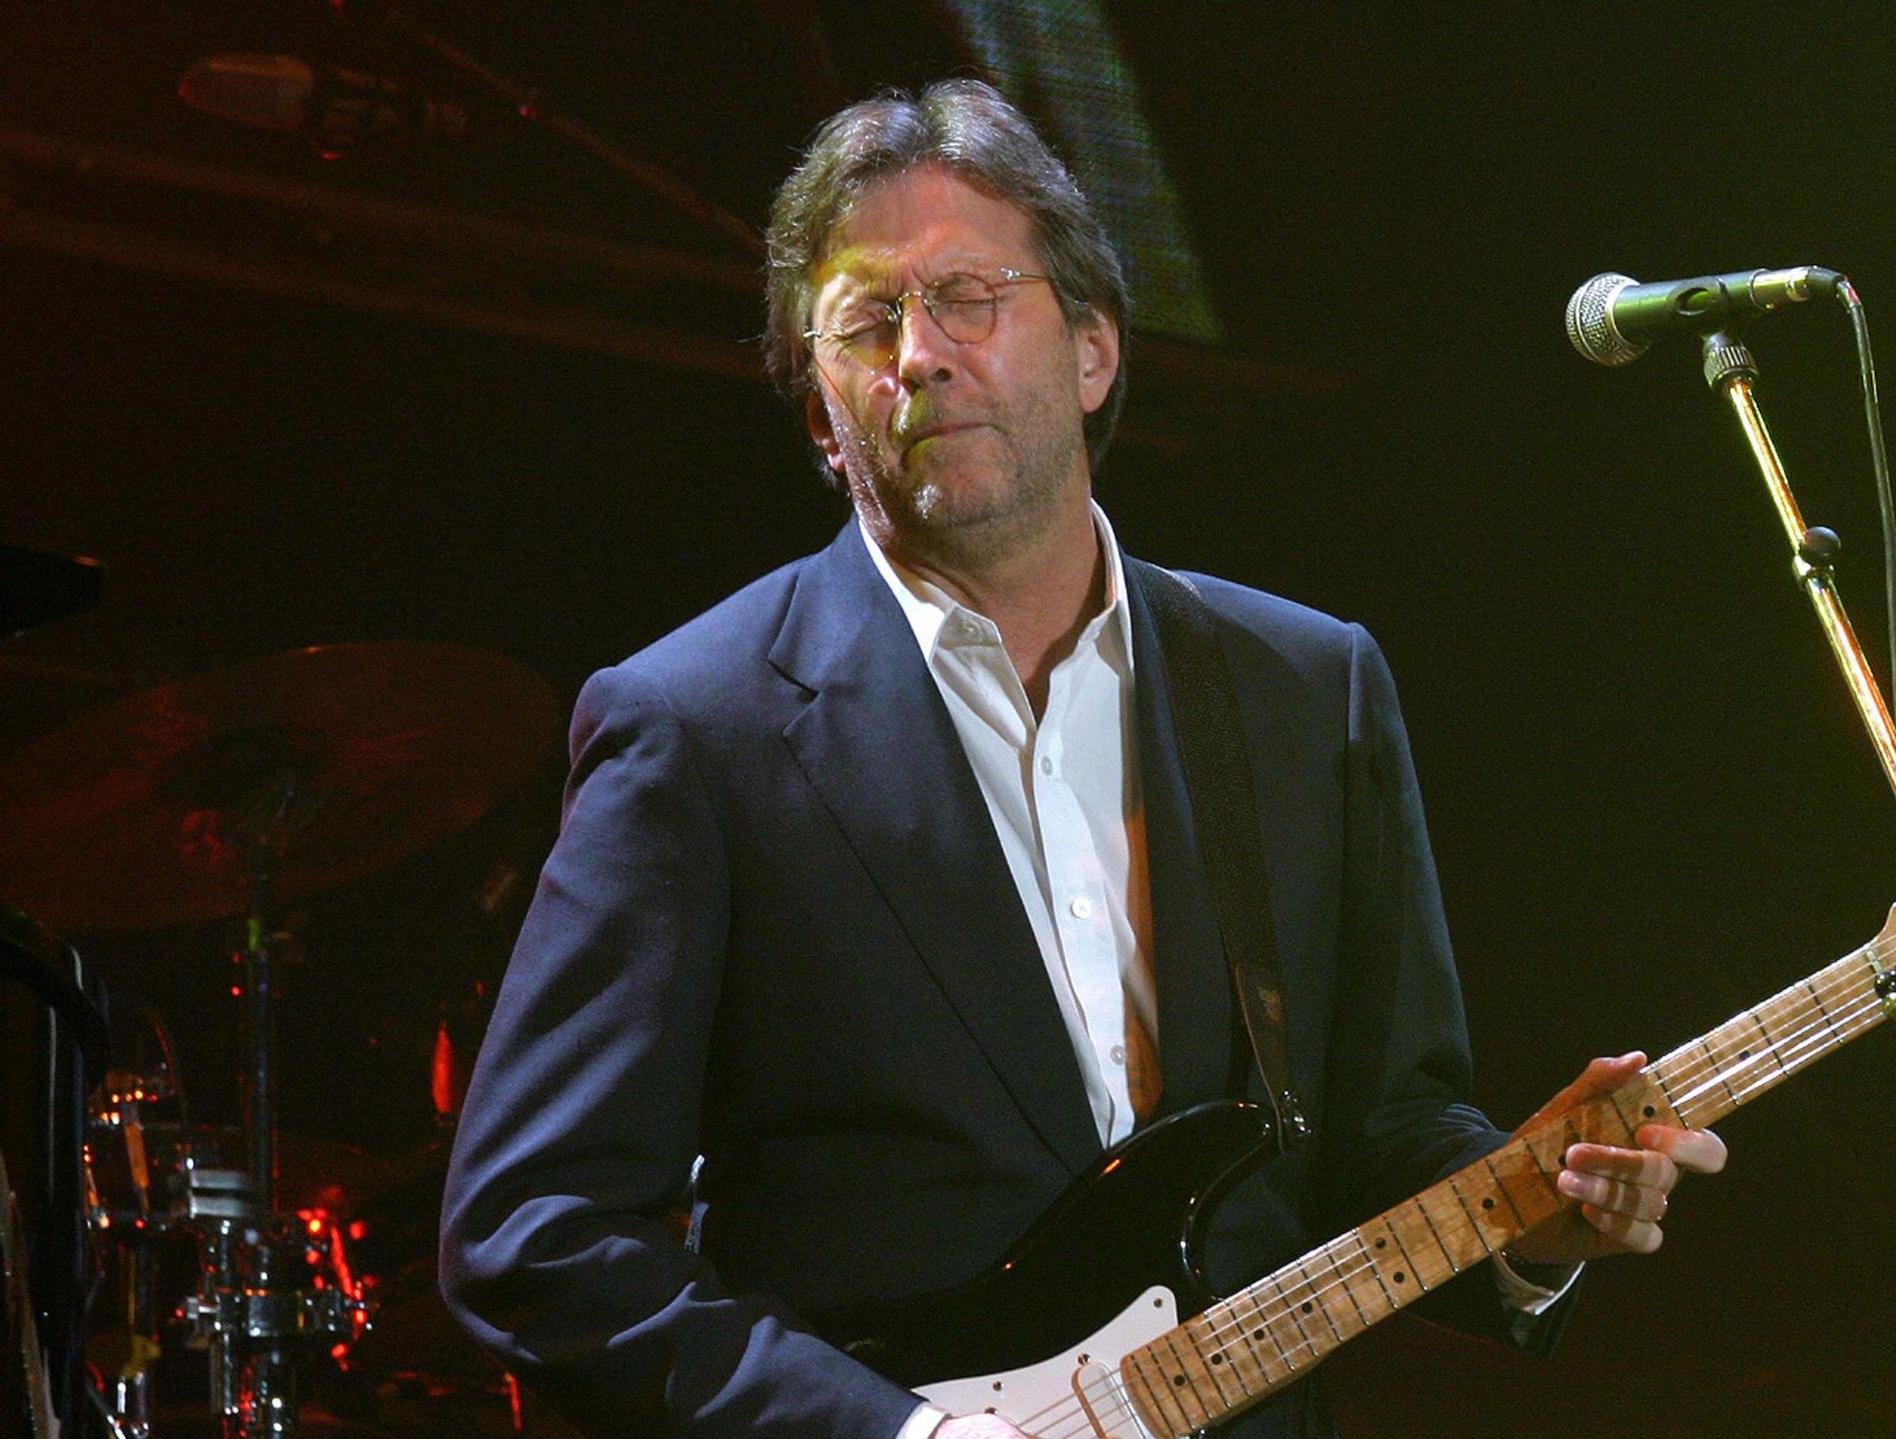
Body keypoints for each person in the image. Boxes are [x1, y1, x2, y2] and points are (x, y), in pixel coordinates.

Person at [439, 79, 1724, 1439]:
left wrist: (1532, 1220)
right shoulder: (697, 726)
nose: (918, 354)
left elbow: (1385, 1124)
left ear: (1095, 350)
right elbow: (536, 1231)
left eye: (969, 296)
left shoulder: (1308, 685)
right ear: (823, 417)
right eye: (865, 321)